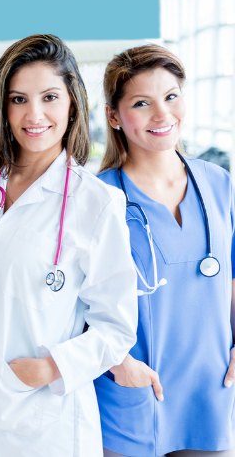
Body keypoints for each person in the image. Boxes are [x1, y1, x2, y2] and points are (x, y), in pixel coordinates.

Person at [0, 34, 137, 456]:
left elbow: (116, 328)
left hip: (48, 420)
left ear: (72, 104)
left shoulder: (95, 203)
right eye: (19, 99)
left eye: (49, 97)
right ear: (3, 108)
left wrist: (50, 368)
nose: (35, 114)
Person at [95, 45, 235, 457]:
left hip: (209, 395)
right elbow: (74, 303)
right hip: (131, 398)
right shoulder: (99, 197)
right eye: (142, 103)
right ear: (114, 117)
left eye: (171, 96)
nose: (162, 114)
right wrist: (117, 362)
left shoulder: (220, 184)